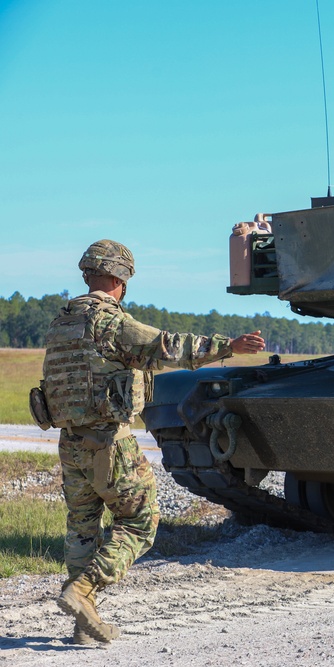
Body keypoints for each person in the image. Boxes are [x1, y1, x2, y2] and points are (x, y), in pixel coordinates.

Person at [41, 239, 266, 644]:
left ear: (88, 274)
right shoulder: (110, 323)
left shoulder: (61, 323)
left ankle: (82, 623)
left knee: (82, 530)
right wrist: (228, 347)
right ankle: (84, 590)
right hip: (110, 444)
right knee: (142, 522)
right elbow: (169, 346)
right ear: (119, 279)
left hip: (70, 444)